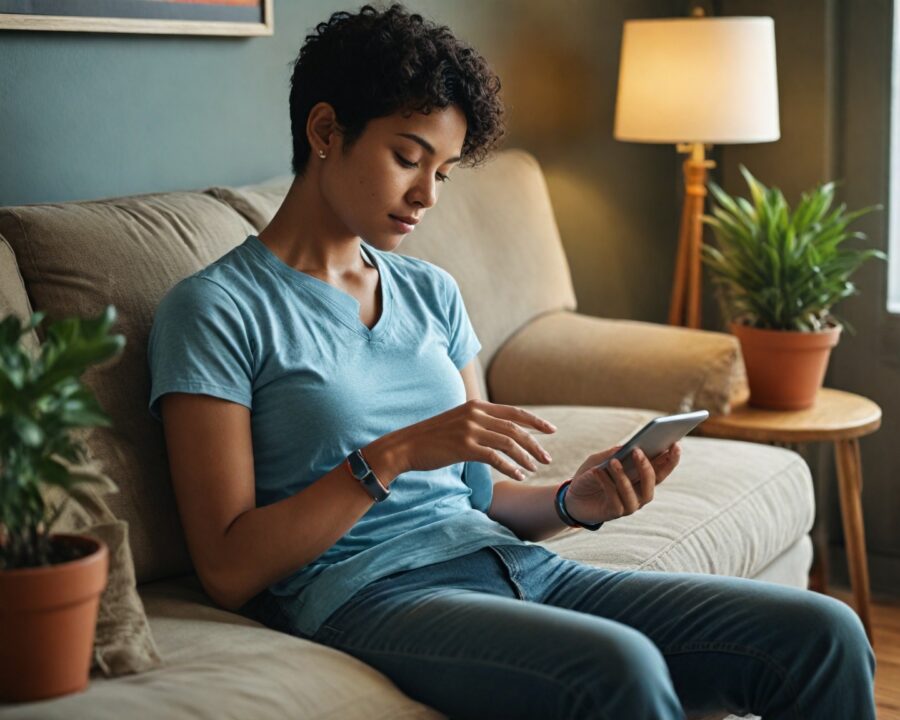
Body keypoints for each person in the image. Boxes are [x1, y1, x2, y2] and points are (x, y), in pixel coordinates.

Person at [147, 4, 876, 718]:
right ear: (327, 130)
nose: (426, 195)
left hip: (513, 564)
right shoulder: (215, 310)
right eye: (408, 157)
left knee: (822, 635)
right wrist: (393, 454)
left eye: (445, 171)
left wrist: (572, 501)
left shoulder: (431, 291)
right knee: (617, 672)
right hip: (373, 596)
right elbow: (228, 568)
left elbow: (479, 496)